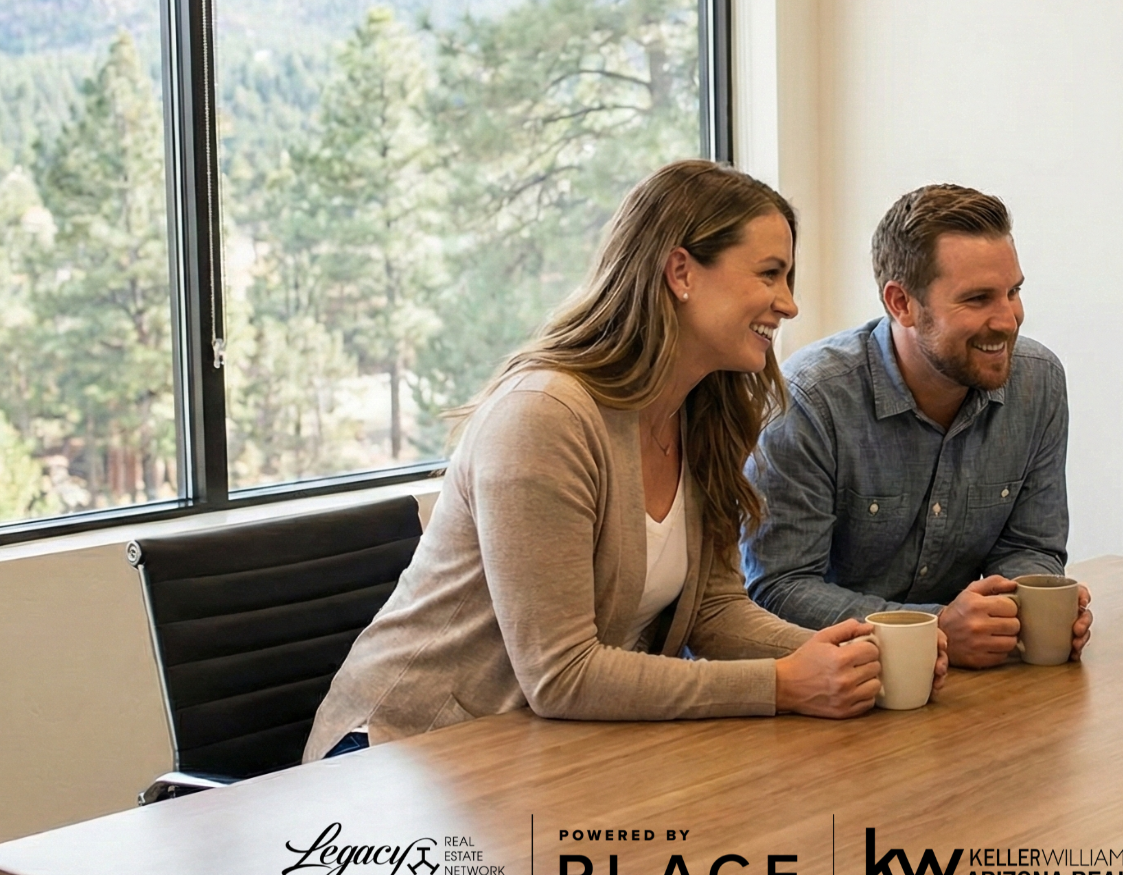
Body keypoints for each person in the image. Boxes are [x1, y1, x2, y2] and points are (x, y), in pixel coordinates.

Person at [303, 160, 943, 763]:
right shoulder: (543, 417)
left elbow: (714, 612)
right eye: (770, 274)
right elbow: (562, 674)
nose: (789, 304)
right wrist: (781, 684)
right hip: (405, 755)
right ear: (681, 272)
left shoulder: (702, 413)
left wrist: (861, 656)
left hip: (545, 752)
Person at [743, 183, 1090, 667]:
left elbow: (1030, 546)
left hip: (969, 690)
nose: (1008, 319)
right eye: (977, 299)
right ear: (901, 303)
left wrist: (1028, 609)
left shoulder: (1039, 381)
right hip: (836, 688)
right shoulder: (811, 399)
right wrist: (935, 627)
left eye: (1013, 292)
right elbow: (776, 589)